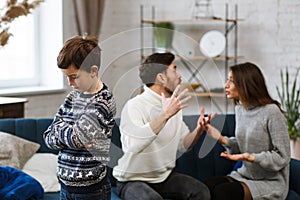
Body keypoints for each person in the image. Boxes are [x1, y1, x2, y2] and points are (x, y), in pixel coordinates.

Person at [113, 52, 211, 200]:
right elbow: (132, 146)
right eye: (174, 69)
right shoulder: (134, 105)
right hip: (132, 180)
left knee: (201, 192)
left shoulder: (173, 106)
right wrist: (164, 115)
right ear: (161, 77)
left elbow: (183, 144)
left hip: (163, 177)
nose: (179, 76)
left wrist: (199, 130)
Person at [202, 62, 290, 200]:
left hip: (270, 182)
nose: (226, 85)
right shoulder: (240, 110)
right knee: (207, 187)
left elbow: (282, 157)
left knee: (223, 193)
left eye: (231, 81)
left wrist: (250, 157)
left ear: (245, 84)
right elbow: (244, 145)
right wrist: (220, 138)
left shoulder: (271, 112)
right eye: (227, 79)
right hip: (245, 175)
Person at [43, 35, 116, 200]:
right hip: (65, 187)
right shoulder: (72, 98)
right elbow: (48, 137)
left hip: (91, 191)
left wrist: (60, 129)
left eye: (74, 76)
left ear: (93, 71)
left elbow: (76, 138)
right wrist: (71, 134)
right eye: (66, 77)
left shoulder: (102, 102)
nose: (69, 83)